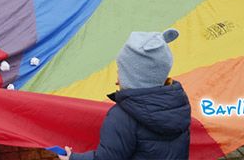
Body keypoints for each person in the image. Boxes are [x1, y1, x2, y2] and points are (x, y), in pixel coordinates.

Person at [58, 29, 190, 160]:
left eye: (120, 71)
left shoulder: (122, 117)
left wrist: (73, 158)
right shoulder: (179, 104)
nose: (117, 79)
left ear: (133, 77)